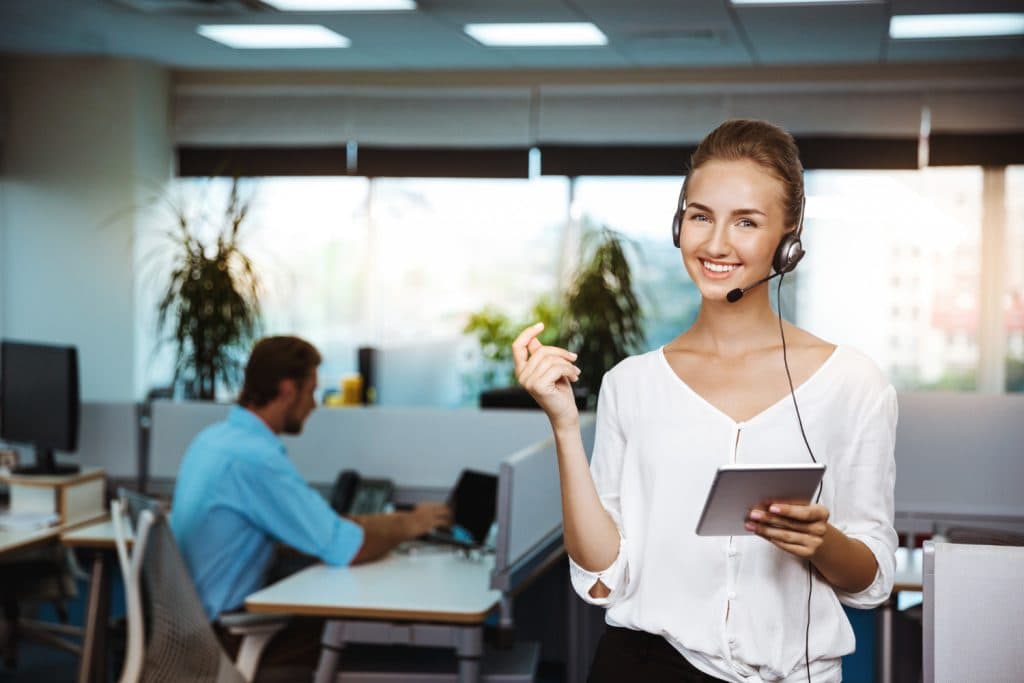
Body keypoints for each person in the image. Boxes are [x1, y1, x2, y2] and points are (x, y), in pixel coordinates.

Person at [513, 119, 897, 683]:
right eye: (700, 216)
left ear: (789, 239)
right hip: (642, 668)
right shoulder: (633, 384)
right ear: (678, 224)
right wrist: (566, 428)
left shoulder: (854, 383)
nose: (716, 244)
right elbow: (603, 574)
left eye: (746, 221)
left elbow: (872, 580)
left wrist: (823, 542)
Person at [171, 335, 451, 622]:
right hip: (228, 635)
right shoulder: (256, 459)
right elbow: (346, 548)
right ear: (288, 390)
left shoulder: (211, 440)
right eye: (312, 392)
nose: (314, 405)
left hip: (191, 626)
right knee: (353, 635)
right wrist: (414, 522)